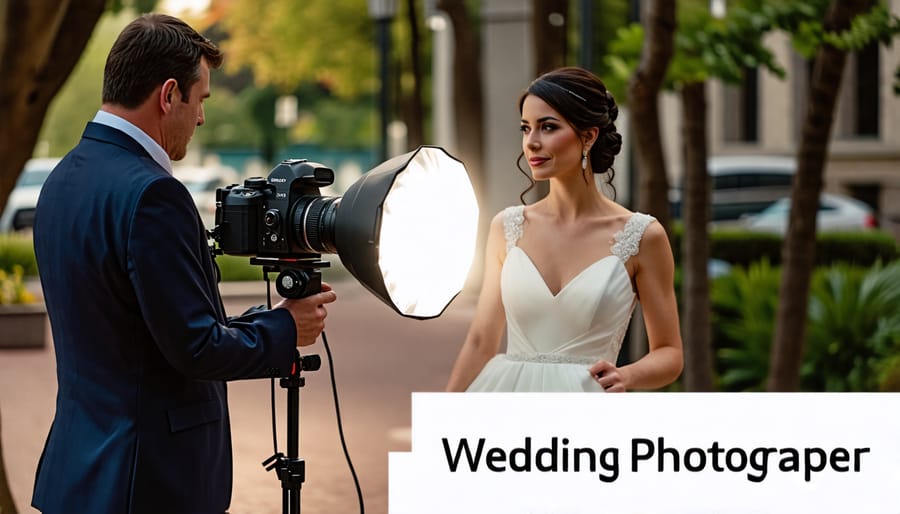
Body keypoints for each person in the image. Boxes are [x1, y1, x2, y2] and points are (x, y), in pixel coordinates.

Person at [30, 14, 337, 514]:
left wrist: (269, 319)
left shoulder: (62, 178)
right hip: (148, 482)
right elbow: (195, 346)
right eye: (201, 100)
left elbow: (145, 332)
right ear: (169, 94)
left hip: (78, 476)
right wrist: (286, 327)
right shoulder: (154, 193)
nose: (200, 118)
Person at [446, 67, 683, 393]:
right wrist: (440, 423)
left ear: (588, 136)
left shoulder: (643, 237)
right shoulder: (507, 227)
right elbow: (480, 341)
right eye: (526, 128)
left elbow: (670, 353)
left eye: (548, 127)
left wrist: (628, 376)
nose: (532, 142)